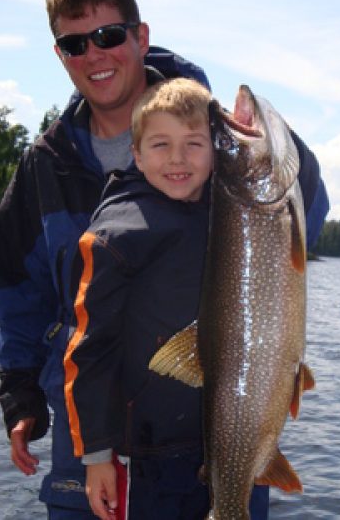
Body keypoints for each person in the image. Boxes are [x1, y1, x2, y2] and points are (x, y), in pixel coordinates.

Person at [0, 0, 329, 518]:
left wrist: (275, 146)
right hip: (89, 455)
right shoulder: (44, 166)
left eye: (107, 34)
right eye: (75, 44)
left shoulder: (214, 138)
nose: (95, 55)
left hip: (219, 441)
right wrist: (19, 394)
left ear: (140, 36)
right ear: (60, 55)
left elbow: (306, 218)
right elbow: (15, 294)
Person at [64, 76, 271, 520]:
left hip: (241, 438)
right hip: (156, 451)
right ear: (136, 155)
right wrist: (97, 454)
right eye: (160, 145)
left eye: (194, 144)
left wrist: (253, 137)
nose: (177, 158)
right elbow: (90, 349)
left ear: (215, 153)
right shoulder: (116, 234)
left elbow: (296, 189)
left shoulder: (235, 210)